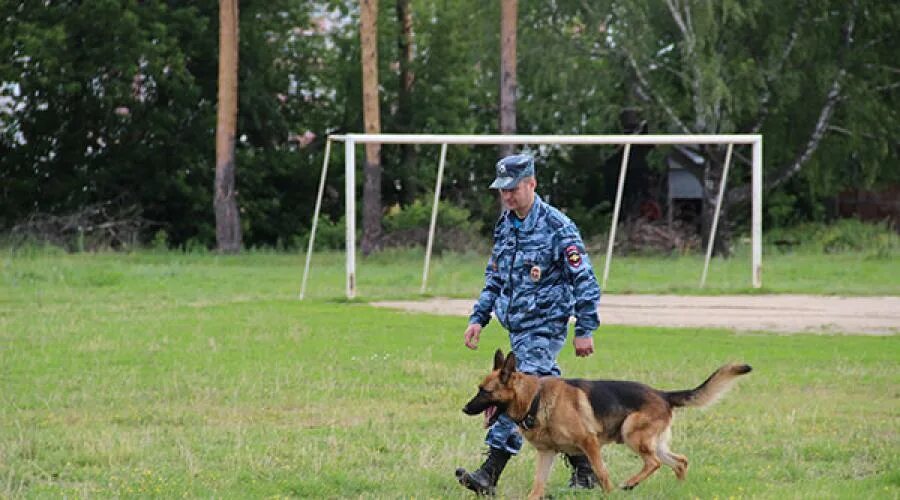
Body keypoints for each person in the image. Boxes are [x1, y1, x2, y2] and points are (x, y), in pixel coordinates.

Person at [455, 153, 603, 495]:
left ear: (532, 184)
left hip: (546, 326)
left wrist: (584, 328)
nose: (507, 196)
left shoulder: (558, 227)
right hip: (517, 327)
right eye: (502, 191)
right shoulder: (506, 225)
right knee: (553, 402)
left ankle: (489, 473)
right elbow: (494, 278)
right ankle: (584, 467)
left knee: (517, 396)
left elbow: (585, 281)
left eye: (514, 189)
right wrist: (479, 318)